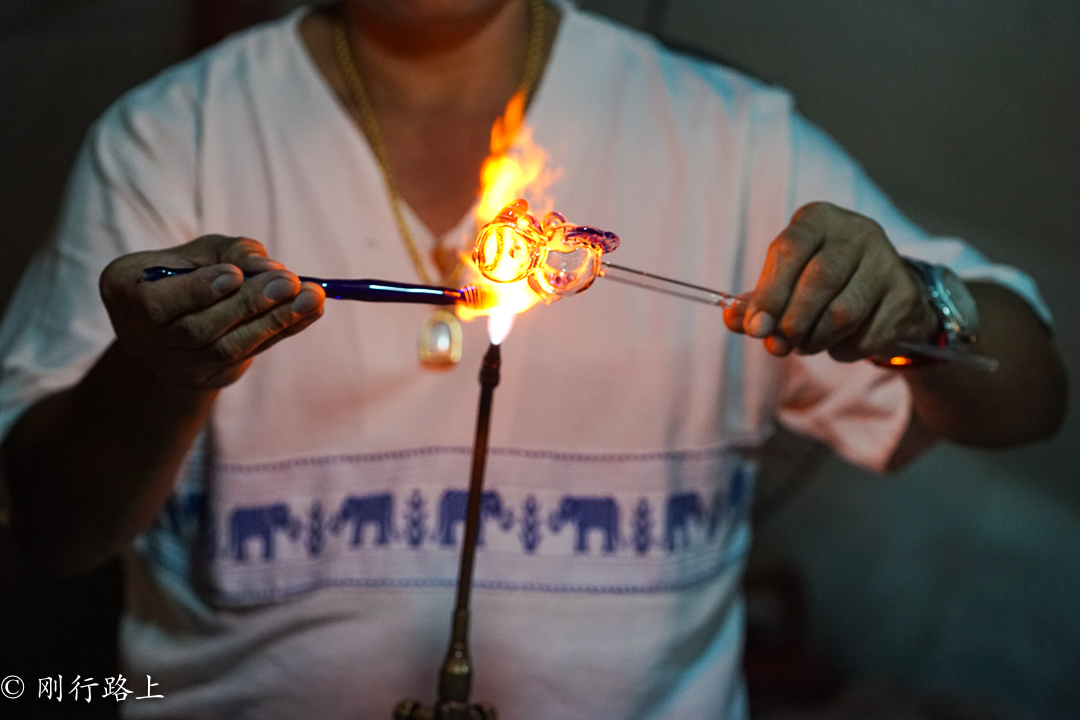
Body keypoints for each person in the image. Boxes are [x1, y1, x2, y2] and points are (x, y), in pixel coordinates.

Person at [0, 1, 1065, 718]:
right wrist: (158, 375)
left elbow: (1027, 393)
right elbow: (53, 529)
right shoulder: (172, 138)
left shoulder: (728, 137)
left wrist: (920, 303)